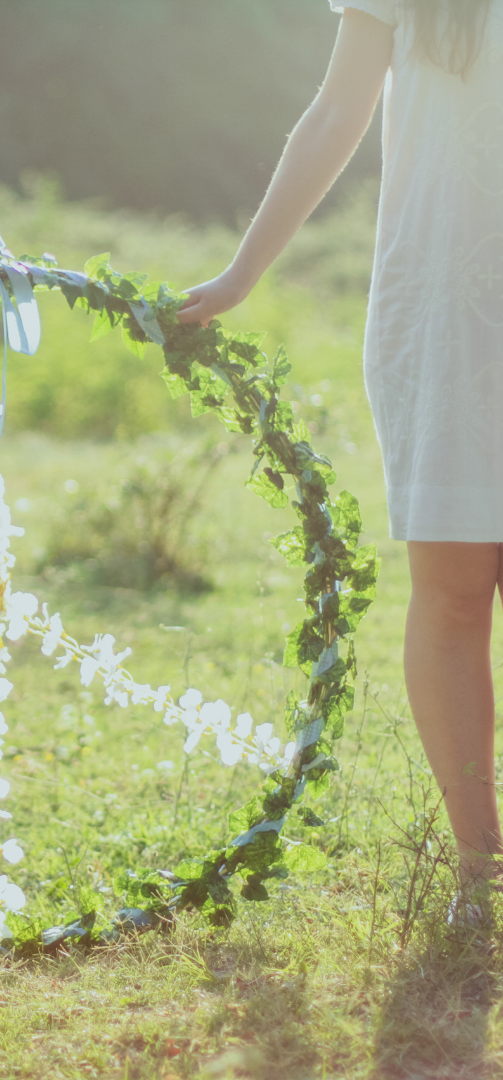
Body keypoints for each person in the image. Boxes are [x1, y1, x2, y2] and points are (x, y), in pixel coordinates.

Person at [179, 0, 503, 909]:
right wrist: (242, 273)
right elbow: (335, 111)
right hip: (448, 305)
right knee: (452, 590)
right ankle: (482, 871)